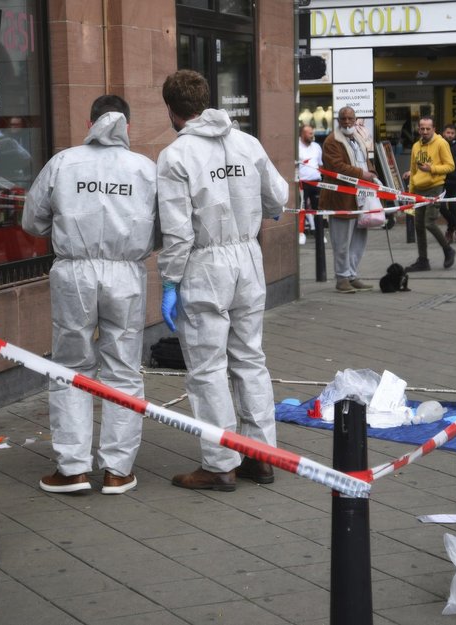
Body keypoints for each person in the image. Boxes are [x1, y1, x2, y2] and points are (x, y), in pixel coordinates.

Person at [156, 70, 288, 491]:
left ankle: (220, 463)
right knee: (250, 359)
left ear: (173, 111)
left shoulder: (176, 157)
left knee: (208, 367)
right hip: (248, 258)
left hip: (205, 264)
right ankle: (261, 455)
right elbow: (278, 198)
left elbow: (177, 232)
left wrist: (170, 282)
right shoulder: (247, 143)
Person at [21, 95, 157, 495]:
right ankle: (118, 469)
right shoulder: (145, 169)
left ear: (89, 121)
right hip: (127, 274)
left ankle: (73, 468)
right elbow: (165, 227)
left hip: (74, 273)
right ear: (127, 126)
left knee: (70, 367)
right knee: (124, 370)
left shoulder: (64, 162)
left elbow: (32, 219)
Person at [322, 106, 376, 293]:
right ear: (338, 120)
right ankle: (342, 278)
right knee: (342, 240)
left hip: (361, 196)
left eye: (350, 118)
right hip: (341, 198)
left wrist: (372, 174)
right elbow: (337, 167)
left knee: (359, 238)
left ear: (354, 119)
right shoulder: (332, 141)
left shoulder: (358, 137)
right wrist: (363, 173)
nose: (346, 122)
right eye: (343, 118)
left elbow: (366, 160)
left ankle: (352, 274)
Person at [402, 116, 456, 272]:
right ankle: (423, 260)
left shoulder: (441, 143)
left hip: (434, 187)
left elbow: (450, 166)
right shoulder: (415, 146)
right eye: (422, 128)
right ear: (418, 129)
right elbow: (413, 170)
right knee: (418, 225)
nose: (425, 131)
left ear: (434, 129)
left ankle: (448, 250)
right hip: (418, 188)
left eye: (428, 129)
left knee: (429, 222)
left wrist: (431, 169)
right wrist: (411, 193)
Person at [297, 123, 323, 243]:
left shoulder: (317, 146)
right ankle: (301, 233)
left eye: (312, 133)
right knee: (301, 209)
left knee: (318, 210)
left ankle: (320, 234)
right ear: (302, 134)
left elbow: (320, 164)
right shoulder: (296, 146)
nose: (312, 135)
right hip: (302, 183)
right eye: (309, 133)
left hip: (316, 182)